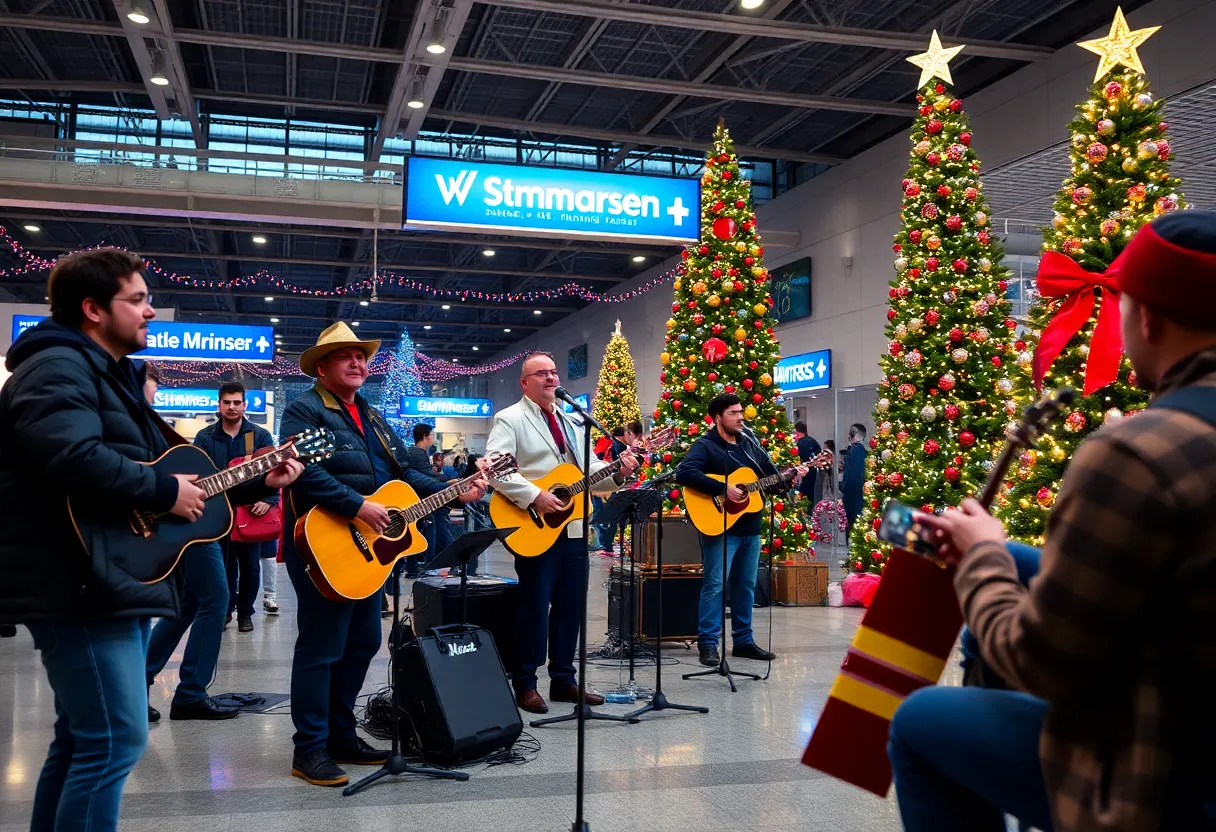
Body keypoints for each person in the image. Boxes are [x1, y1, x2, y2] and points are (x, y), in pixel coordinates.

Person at [887, 211, 1216, 832]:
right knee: (1012, 559)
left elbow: (1042, 661)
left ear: (1145, 317)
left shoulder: (1137, 454)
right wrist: (997, 551)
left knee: (919, 723)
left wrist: (982, 556)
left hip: (1165, 779)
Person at [0, 249, 301, 831]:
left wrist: (255, 483)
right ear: (92, 308)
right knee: (115, 739)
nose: (151, 311)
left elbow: (168, 480)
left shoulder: (107, 375)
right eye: (136, 300)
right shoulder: (59, 366)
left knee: (83, 738)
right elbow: (69, 457)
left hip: (109, 571)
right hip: (78, 579)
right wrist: (162, 491)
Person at [279, 322, 487, 787]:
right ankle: (308, 748)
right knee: (321, 648)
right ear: (323, 365)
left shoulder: (369, 414)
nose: (358, 363)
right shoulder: (303, 410)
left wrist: (455, 493)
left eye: (361, 356)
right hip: (325, 544)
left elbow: (406, 475)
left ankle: (339, 736)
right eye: (345, 356)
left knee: (361, 644)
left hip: (367, 555)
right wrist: (358, 506)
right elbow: (304, 475)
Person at [486, 351, 637, 714]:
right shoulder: (510, 419)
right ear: (525, 383)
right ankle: (525, 683)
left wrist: (620, 471)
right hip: (533, 527)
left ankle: (564, 680)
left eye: (554, 372)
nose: (551, 379)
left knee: (571, 607)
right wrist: (536, 495)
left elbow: (591, 469)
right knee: (534, 608)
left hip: (572, 529)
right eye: (542, 374)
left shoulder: (572, 422)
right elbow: (495, 469)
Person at [675, 393, 806, 668]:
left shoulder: (750, 445)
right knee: (714, 584)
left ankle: (743, 642)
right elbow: (685, 473)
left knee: (746, 585)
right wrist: (723, 489)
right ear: (718, 417)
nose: (740, 417)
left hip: (750, 526)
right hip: (719, 526)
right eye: (733, 412)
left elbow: (771, 482)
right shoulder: (706, 445)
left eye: (741, 411)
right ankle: (708, 643)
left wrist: (789, 477)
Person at [189, 381, 278, 633]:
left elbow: (273, 474)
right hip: (217, 515)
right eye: (226, 402)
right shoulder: (205, 437)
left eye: (236, 402)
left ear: (244, 405)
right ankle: (225, 609)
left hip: (250, 515)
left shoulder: (258, 436)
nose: (231, 407)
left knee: (251, 567)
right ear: (219, 405)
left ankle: (246, 613)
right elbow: (197, 473)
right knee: (223, 566)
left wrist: (268, 499)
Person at [840, 423, 867, 538]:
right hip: (859, 494)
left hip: (853, 496)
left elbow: (853, 476)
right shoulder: (864, 452)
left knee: (852, 528)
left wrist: (843, 487)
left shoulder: (854, 451)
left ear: (853, 434)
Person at [793, 420, 820, 507]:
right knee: (810, 500)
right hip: (813, 474)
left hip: (800, 475)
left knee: (799, 499)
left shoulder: (798, 444)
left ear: (796, 431)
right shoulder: (813, 442)